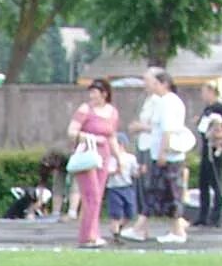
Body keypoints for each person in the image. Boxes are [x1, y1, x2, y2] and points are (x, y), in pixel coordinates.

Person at [122, 67, 190, 244]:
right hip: (160, 153)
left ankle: (176, 230)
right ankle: (142, 227)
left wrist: (162, 152)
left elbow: (167, 130)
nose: (151, 86)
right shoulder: (162, 102)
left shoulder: (169, 102)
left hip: (168, 156)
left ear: (164, 84)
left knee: (170, 191)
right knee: (156, 191)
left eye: (154, 83)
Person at [66, 78, 119, 249]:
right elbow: (72, 131)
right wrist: (91, 138)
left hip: (103, 155)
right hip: (87, 153)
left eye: (95, 92)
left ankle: (92, 233)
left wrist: (119, 158)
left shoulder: (112, 112)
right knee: (91, 195)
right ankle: (88, 235)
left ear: (104, 94)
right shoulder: (85, 109)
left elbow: (112, 136)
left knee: (98, 196)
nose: (92, 96)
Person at [191, 78, 222, 227]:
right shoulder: (208, 109)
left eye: (205, 91)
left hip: (216, 149)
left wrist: (220, 135)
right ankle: (203, 215)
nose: (203, 95)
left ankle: (217, 216)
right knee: (203, 182)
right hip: (206, 148)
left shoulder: (220, 108)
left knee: (216, 181)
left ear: (212, 92)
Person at [104, 127, 140, 239]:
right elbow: (106, 172)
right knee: (116, 212)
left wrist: (140, 171)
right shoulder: (109, 159)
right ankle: (115, 234)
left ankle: (119, 228)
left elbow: (134, 173)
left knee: (130, 212)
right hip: (114, 188)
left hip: (127, 187)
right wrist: (114, 172)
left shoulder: (130, 158)